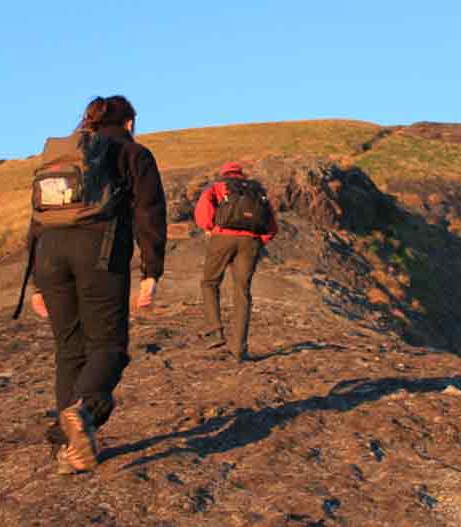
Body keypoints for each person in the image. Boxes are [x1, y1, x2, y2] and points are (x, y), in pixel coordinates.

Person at [16, 95, 167, 474]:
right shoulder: (134, 153)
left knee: (69, 349)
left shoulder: (63, 159)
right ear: (130, 122)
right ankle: (82, 412)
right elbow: (148, 213)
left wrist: (36, 282)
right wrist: (151, 272)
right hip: (98, 252)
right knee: (109, 347)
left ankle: (69, 452)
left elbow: (38, 218)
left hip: (50, 253)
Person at [195, 162, 278, 361]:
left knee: (209, 282)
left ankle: (215, 332)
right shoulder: (257, 190)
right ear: (242, 175)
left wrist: (210, 229)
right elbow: (272, 225)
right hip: (250, 241)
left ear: (224, 173)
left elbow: (203, 212)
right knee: (242, 291)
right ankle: (239, 349)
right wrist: (259, 241)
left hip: (223, 237)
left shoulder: (218, 187)